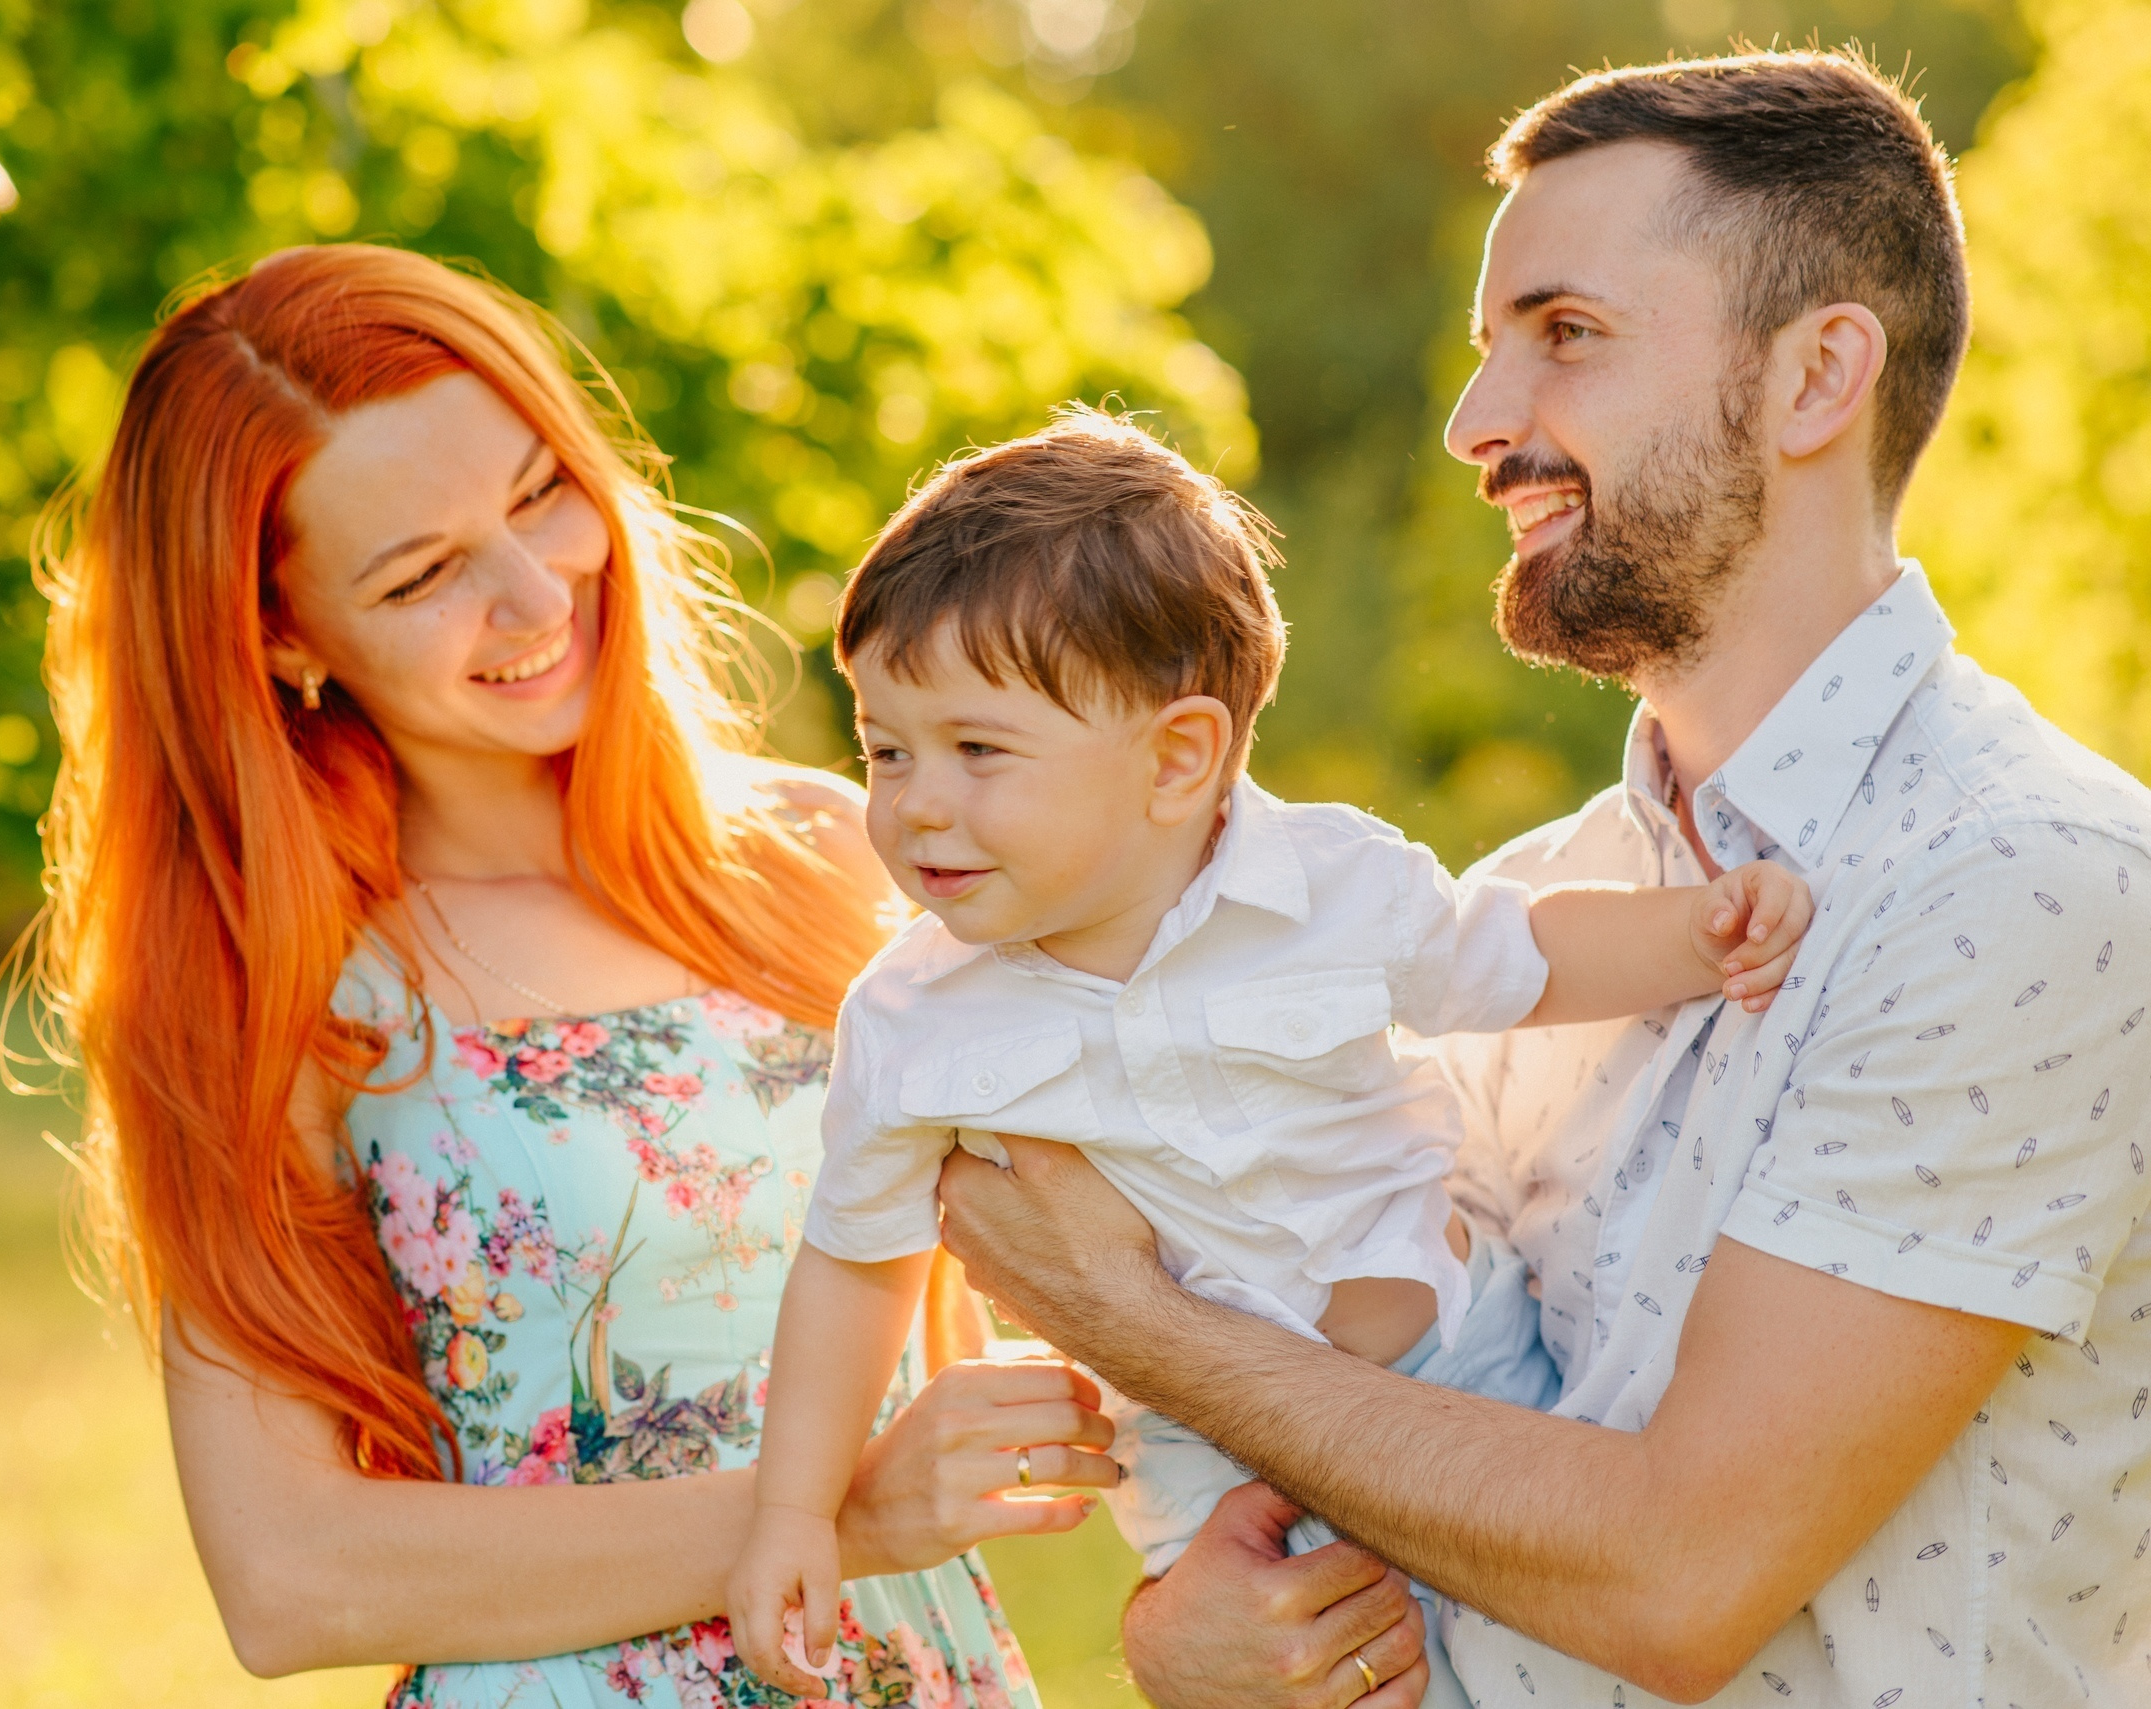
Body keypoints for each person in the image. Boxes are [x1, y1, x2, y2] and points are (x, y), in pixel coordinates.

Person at [932, 50, 2151, 1709]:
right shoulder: (1525, 911)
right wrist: (1195, 1636)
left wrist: (1133, 1319)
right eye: (1486, 348)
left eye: (1565, 335)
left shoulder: (2022, 885)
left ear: (1816, 380)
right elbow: (1400, 1435)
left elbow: (1680, 1576)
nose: (1475, 426)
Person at [12, 241, 1157, 1708]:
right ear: (286, 635)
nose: (534, 593)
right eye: (424, 573)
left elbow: (1100, 1265)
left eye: (541, 492)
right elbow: (289, 1576)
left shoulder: (836, 848)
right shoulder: (288, 979)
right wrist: (838, 1510)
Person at [725, 409, 1818, 1705]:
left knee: (1575, 1648)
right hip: (1207, 1459)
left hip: (1460, 1362)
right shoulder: (916, 1018)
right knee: (1314, 1679)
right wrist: (796, 1510)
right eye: (884, 748)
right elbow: (855, 1261)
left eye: (977, 750)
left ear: (1177, 757)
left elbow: (1517, 956)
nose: (911, 802)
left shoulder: (1328, 886)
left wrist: (1698, 934)